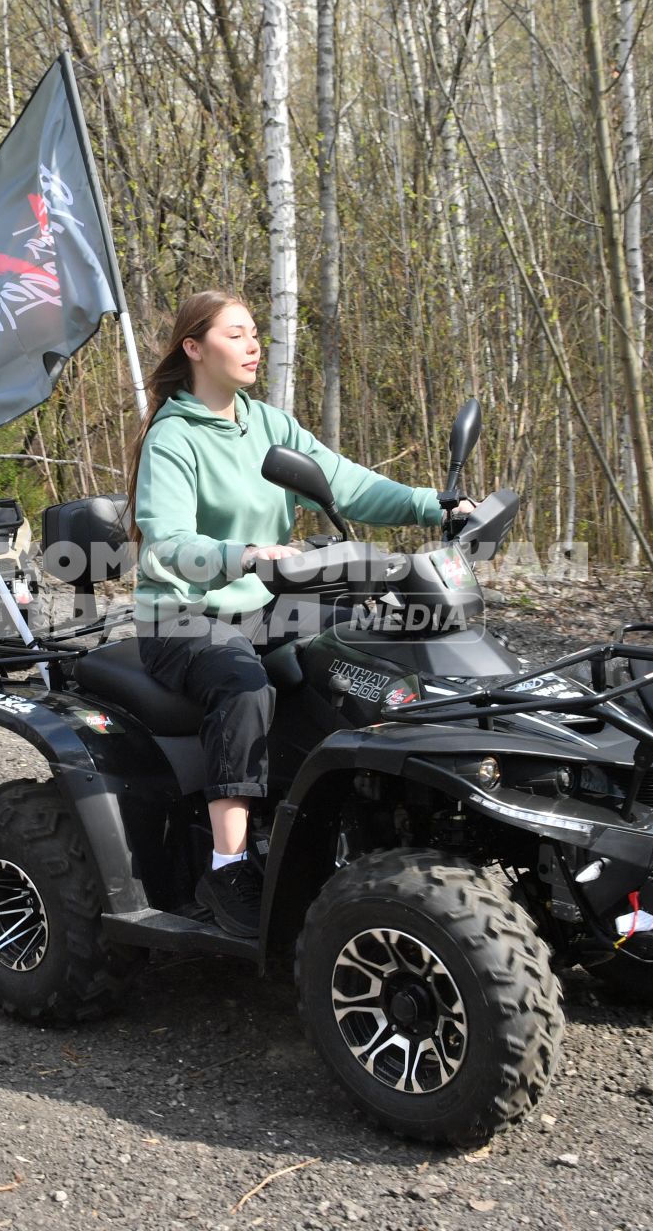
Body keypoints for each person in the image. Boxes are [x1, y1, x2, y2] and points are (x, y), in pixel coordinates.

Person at [129, 290, 473, 937]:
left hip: (265, 605)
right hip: (182, 616)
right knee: (242, 683)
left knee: (370, 651)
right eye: (237, 334)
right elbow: (168, 544)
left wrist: (439, 505)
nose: (255, 344)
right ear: (195, 348)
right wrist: (245, 554)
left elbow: (349, 483)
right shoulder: (173, 439)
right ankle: (228, 864)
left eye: (256, 332)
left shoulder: (268, 425)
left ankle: (367, 823)